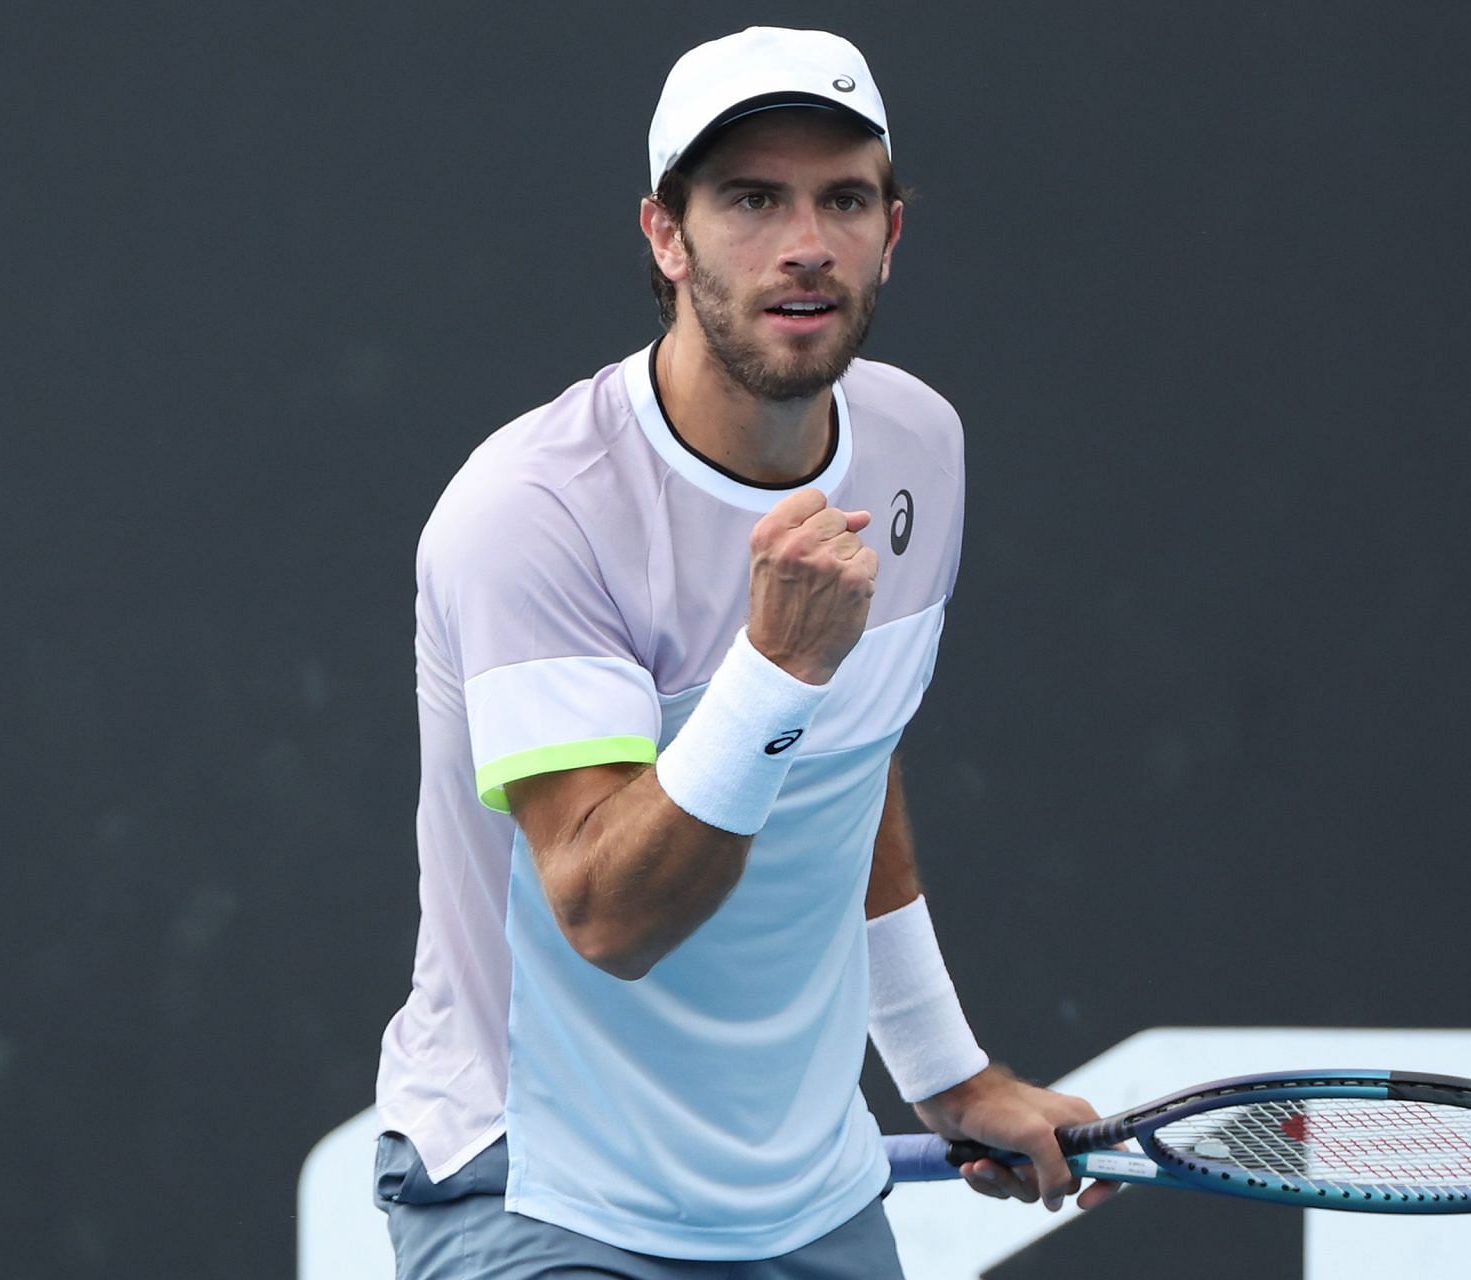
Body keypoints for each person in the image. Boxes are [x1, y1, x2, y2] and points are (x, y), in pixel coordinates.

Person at [373, 27, 1112, 1278]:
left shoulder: (918, 446)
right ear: (666, 235)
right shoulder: (535, 512)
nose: (805, 242)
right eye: (752, 199)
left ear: (893, 232)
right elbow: (607, 912)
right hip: (543, 1195)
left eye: (844, 199)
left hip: (809, 1204)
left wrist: (944, 1068)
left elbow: (847, 761)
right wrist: (773, 670)